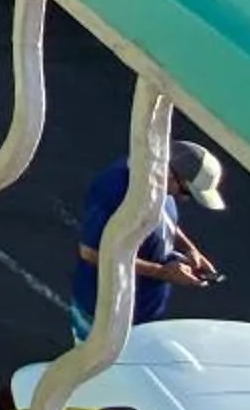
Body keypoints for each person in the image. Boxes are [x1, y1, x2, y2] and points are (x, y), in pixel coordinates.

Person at [69, 145, 226, 340]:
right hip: (104, 313)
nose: (183, 199)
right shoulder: (114, 190)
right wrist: (162, 272)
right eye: (185, 192)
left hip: (143, 312)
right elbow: (91, 252)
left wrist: (190, 250)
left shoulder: (157, 183)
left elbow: (162, 220)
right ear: (170, 173)